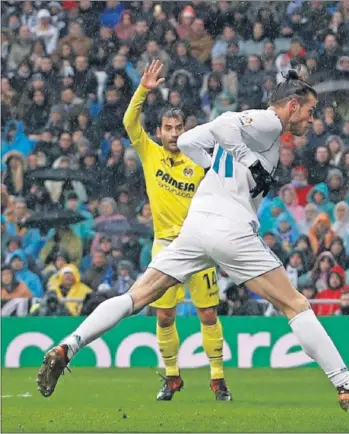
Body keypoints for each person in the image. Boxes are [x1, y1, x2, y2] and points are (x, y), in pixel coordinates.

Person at [36, 70, 349, 412]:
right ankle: (348, 387)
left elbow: (189, 140)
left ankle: (69, 345)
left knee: (135, 297)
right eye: (310, 111)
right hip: (230, 226)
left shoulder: (261, 131)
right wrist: (247, 163)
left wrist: (214, 167)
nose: (311, 120)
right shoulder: (270, 121)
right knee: (295, 305)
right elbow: (225, 121)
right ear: (292, 105)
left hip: (195, 225)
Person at [121, 60, 230, 402]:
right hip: (166, 246)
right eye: (167, 127)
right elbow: (128, 122)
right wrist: (143, 90)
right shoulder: (149, 152)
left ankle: (217, 378)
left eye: (178, 127)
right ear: (159, 130)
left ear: (185, 129)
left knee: (208, 313)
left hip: (199, 244)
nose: (172, 133)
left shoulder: (200, 159)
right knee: (165, 315)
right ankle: (171, 377)